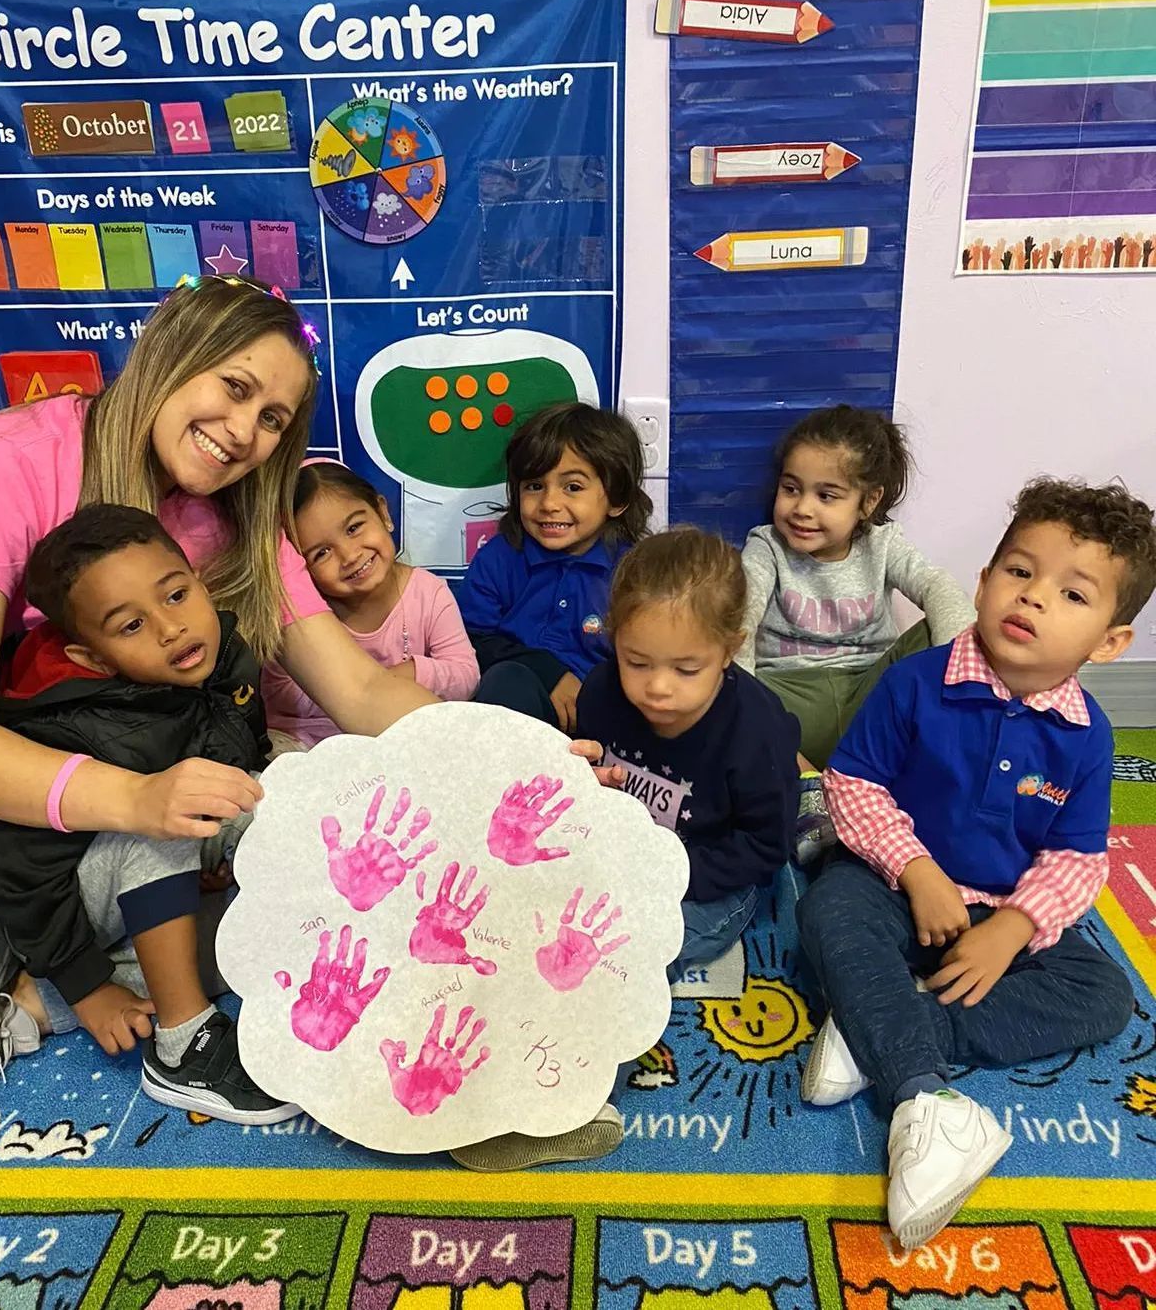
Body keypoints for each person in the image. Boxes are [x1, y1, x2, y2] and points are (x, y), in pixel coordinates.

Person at [0, 273, 434, 1065]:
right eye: (234, 387)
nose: (243, 430)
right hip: (5, 796)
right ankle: (60, 972)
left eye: (272, 418)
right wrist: (137, 798)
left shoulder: (233, 517)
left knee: (343, 879)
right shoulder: (1, 468)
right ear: (171, 352)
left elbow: (362, 688)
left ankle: (59, 984)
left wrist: (519, 756)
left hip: (128, 798)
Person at [797, 477, 1153, 1249]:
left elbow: (1077, 858)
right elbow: (850, 785)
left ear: (1109, 642)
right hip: (898, 887)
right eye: (1019, 573)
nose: (1032, 599)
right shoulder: (918, 683)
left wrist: (1015, 927)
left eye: (1071, 593)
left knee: (1105, 994)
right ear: (984, 583)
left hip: (996, 914)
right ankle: (928, 1102)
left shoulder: (1088, 736)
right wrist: (916, 870)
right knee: (827, 907)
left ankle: (883, 1028)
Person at [450, 528, 799, 1172]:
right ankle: (487, 1079)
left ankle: (573, 1110)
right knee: (519, 936)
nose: (657, 687)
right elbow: (594, 785)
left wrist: (660, 876)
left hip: (712, 880)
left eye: (685, 669)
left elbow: (763, 847)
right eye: (637, 661)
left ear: (731, 650)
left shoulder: (760, 731)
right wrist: (581, 782)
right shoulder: (604, 693)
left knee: (612, 961)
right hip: (612, 858)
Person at [0, 505, 296, 1123]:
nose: (172, 628)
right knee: (169, 820)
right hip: (73, 898)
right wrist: (88, 986)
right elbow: (21, 873)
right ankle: (181, 1044)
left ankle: (40, 1005)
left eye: (176, 594)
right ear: (92, 658)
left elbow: (238, 754)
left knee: (288, 785)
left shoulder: (222, 656)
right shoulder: (71, 727)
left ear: (200, 582)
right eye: (130, 627)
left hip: (155, 879)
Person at [737, 406, 974, 865]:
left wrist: (961, 683)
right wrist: (744, 706)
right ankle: (808, 790)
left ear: (867, 502)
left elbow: (938, 586)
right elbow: (742, 615)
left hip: (873, 697)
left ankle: (903, 790)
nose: (802, 508)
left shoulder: (883, 544)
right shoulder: (765, 545)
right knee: (726, 675)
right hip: (790, 701)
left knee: (946, 633)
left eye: (827, 496)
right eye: (791, 489)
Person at [458, 402, 651, 734]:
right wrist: (547, 672)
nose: (549, 504)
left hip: (602, 718)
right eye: (534, 486)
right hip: (518, 720)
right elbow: (468, 642)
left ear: (617, 499)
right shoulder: (499, 558)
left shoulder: (636, 572)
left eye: (572, 487)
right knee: (507, 680)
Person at [263, 461, 479, 748]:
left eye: (353, 528)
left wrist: (404, 675)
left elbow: (467, 675)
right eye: (322, 553)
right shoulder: (301, 615)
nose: (350, 555)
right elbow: (280, 693)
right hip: (308, 744)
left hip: (400, 741)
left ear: (383, 512)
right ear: (300, 568)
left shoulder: (429, 593)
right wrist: (357, 690)